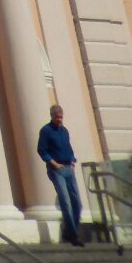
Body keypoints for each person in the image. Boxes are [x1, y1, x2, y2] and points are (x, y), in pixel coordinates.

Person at [37, 104, 84, 246]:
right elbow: (41, 150)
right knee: (66, 202)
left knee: (78, 203)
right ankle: (74, 236)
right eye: (57, 117)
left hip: (69, 168)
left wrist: (72, 160)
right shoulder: (46, 131)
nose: (59, 119)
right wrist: (53, 163)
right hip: (56, 170)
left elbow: (68, 147)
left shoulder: (64, 131)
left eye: (61, 117)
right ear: (52, 116)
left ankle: (69, 232)